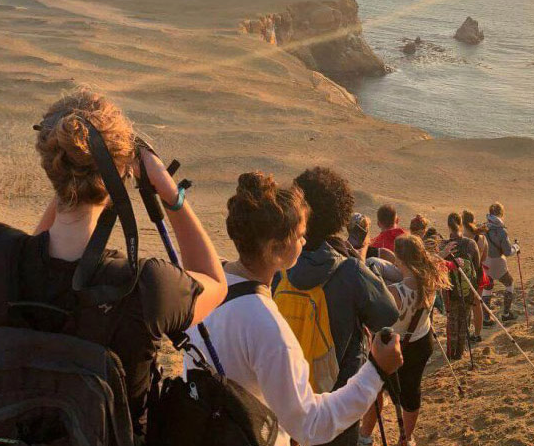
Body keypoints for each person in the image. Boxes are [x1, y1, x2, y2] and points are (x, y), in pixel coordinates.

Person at [0, 89, 227, 437]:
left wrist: (69, 182)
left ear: (50, 164)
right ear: (122, 171)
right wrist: (170, 194)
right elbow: (214, 281)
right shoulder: (146, 286)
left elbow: (31, 256)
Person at [185, 173, 404, 446]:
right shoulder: (267, 324)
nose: (304, 242)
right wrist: (377, 371)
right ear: (277, 248)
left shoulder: (205, 288)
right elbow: (310, 425)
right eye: (300, 235)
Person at [274, 167, 400, 446]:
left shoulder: (277, 267)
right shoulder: (350, 270)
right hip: (339, 396)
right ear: (340, 216)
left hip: (286, 390)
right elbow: (388, 314)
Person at [359, 236, 449, 446]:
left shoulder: (395, 292)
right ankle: (406, 438)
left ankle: (365, 435)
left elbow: (376, 317)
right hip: (421, 341)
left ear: (399, 258)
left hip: (393, 346)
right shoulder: (430, 277)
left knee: (376, 388)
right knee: (411, 392)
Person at [442, 213, 483, 344]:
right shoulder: (471, 243)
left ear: (448, 226)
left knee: (452, 321)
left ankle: (452, 350)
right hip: (468, 289)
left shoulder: (443, 246)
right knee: (465, 320)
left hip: (450, 290)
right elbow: (477, 268)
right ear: (461, 225)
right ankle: (461, 349)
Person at [484, 202, 520, 322]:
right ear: (501, 213)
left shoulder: (483, 227)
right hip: (498, 262)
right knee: (509, 283)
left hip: (485, 262)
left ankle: (486, 319)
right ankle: (506, 313)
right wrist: (516, 247)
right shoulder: (501, 231)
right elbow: (508, 252)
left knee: (487, 287)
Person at [461, 210, 492, 329]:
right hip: (478, 273)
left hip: (465, 274)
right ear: (474, 221)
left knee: (465, 305)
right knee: (477, 304)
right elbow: (484, 258)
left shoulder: (461, 238)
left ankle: (465, 332)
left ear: (462, 223)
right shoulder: (482, 238)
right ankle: (477, 334)